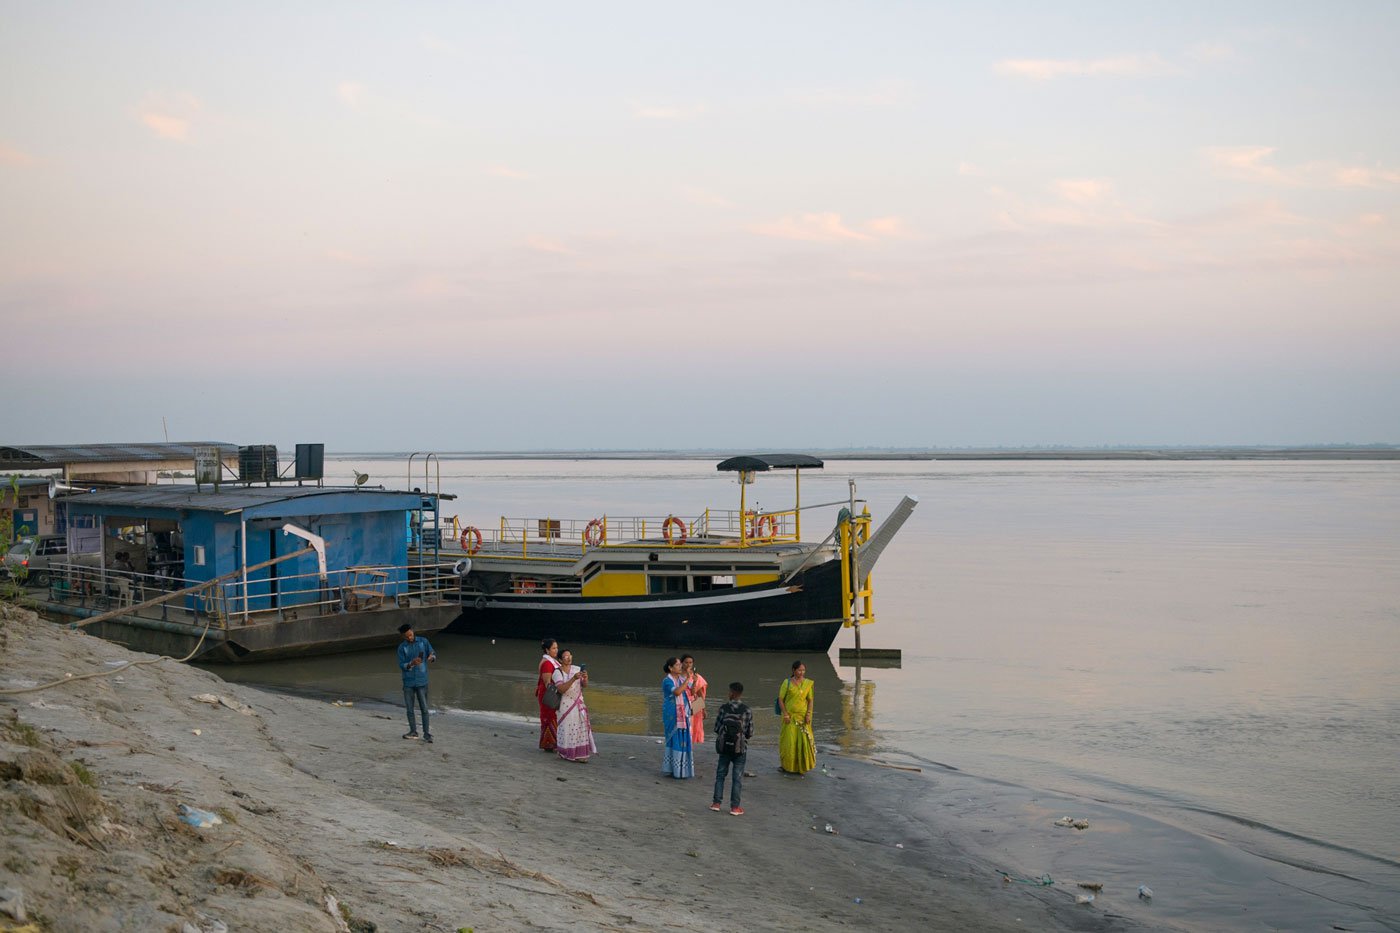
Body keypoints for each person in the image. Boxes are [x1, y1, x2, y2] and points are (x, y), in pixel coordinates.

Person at [710, 681, 753, 815]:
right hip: (740, 749)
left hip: (724, 748)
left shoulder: (723, 708)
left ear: (732, 693)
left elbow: (717, 728)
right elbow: (749, 732)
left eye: (729, 691)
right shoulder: (747, 710)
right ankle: (735, 807)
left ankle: (716, 803)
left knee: (720, 775)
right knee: (737, 778)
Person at [551, 649, 596, 762]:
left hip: (578, 702)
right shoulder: (557, 672)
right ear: (560, 660)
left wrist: (585, 678)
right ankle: (566, 752)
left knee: (580, 728)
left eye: (570, 655)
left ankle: (580, 754)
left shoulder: (576, 669)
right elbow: (561, 689)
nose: (569, 658)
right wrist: (573, 678)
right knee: (567, 728)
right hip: (566, 704)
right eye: (565, 657)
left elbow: (584, 685)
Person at [397, 624, 436, 743]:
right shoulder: (401, 648)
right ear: (403, 636)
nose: (410, 637)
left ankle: (426, 734)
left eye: (411, 635)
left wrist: (431, 657)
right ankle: (413, 731)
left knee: (424, 708)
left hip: (422, 681)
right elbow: (401, 665)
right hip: (408, 681)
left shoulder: (423, 642)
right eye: (407, 636)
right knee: (409, 709)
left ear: (413, 631)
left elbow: (433, 653)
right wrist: (411, 664)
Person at [777, 660, 815, 775]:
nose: (802, 672)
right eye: (799, 670)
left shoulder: (808, 683)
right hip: (789, 718)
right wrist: (785, 714)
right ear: (793, 670)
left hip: (803, 718)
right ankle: (787, 766)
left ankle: (801, 767)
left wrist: (808, 714)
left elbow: (810, 700)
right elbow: (781, 700)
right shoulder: (786, 683)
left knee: (803, 742)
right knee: (789, 742)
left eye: (803, 670)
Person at [661, 657, 694, 778]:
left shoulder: (683, 679)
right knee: (674, 738)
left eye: (681, 664)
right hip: (673, 714)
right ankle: (673, 769)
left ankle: (682, 770)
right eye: (678, 665)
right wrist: (687, 680)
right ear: (670, 668)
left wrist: (691, 679)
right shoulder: (667, 681)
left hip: (685, 712)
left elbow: (695, 692)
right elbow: (677, 692)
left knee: (684, 738)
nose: (681, 667)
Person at [535, 638, 561, 751]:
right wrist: (557, 695)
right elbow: (547, 683)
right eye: (553, 648)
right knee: (549, 716)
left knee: (551, 717)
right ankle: (549, 743)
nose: (556, 650)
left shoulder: (550, 661)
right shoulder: (547, 663)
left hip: (548, 692)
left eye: (556, 648)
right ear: (547, 650)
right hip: (548, 694)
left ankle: (550, 742)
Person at [681, 654, 708, 744]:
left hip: (694, 702)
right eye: (686, 662)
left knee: (694, 724)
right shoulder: (678, 676)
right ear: (681, 663)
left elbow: (700, 694)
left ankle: (690, 742)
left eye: (690, 662)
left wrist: (703, 709)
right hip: (681, 702)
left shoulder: (696, 676)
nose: (688, 665)